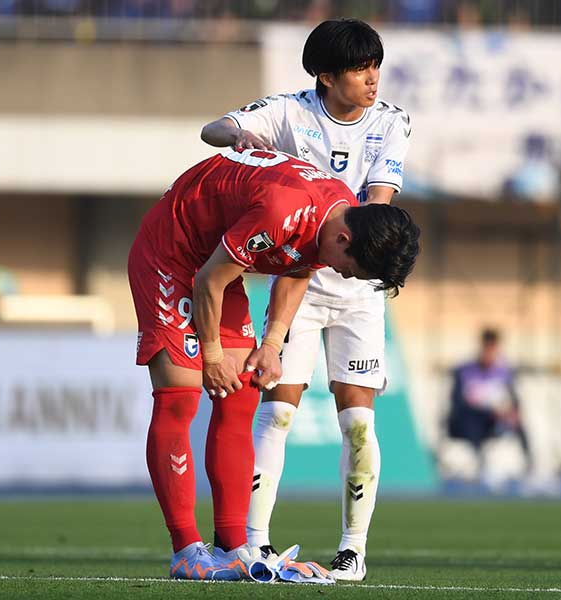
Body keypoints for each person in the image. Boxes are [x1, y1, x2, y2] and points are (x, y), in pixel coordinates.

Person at [128, 148, 419, 581]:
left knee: (240, 399)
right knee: (179, 400)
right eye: (350, 270)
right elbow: (209, 278)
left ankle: (231, 548)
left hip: (219, 263)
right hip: (171, 253)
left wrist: (271, 342)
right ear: (344, 240)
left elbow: (300, 268)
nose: (343, 277)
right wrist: (209, 355)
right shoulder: (285, 212)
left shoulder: (338, 211)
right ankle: (186, 550)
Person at [200, 18, 411, 581]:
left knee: (358, 424)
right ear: (325, 76)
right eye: (361, 69)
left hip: (358, 281)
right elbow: (213, 130)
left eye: (375, 67)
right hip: (299, 281)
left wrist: (364, 256)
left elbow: (376, 208)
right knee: (278, 413)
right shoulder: (289, 112)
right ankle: (256, 544)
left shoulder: (391, 123)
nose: (373, 80)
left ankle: (352, 549)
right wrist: (237, 136)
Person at [445, 328, 532, 486]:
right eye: (487, 348)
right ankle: (481, 466)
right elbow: (457, 402)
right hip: (468, 421)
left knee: (519, 423)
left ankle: (530, 468)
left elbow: (514, 400)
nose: (489, 353)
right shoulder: (465, 371)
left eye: (493, 349)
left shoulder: (504, 372)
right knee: (473, 420)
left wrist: (511, 412)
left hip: (495, 421)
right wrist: (487, 409)